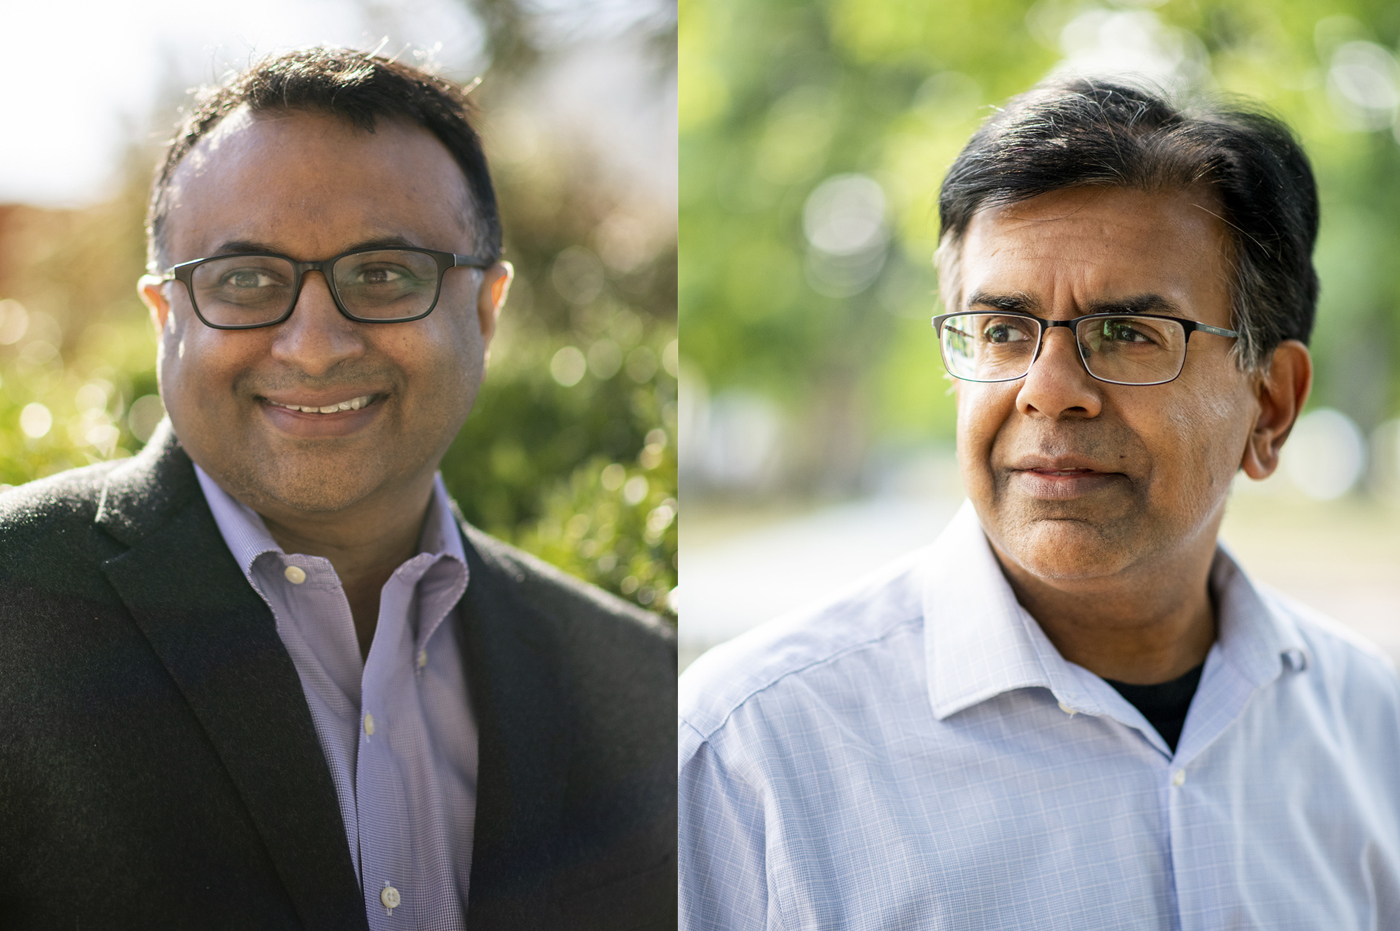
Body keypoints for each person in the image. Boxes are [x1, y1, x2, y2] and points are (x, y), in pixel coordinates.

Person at [679, 78, 1400, 930]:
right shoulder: (745, 752)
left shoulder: (1370, 727)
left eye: (1129, 333)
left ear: (1271, 405)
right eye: (1002, 331)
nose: (1048, 392)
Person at [0, 48, 675, 930]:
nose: (314, 346)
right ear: (165, 316)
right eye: (244, 281)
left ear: (484, 308)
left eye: (384, 273)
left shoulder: (637, 680)